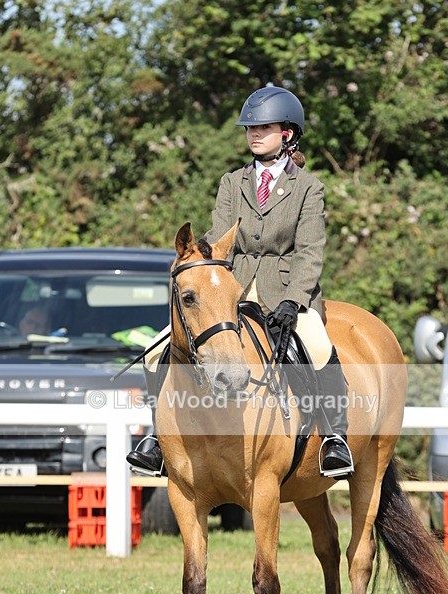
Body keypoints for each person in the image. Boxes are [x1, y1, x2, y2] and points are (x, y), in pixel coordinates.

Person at [127, 85, 353, 479]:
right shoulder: (232, 183)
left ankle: (335, 437)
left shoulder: (309, 188)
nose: (253, 134)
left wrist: (294, 301)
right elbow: (220, 238)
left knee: (317, 346)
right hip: (233, 290)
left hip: (287, 292)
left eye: (263, 127)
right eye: (250, 127)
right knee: (154, 348)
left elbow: (310, 251)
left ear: (287, 133)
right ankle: (155, 439)